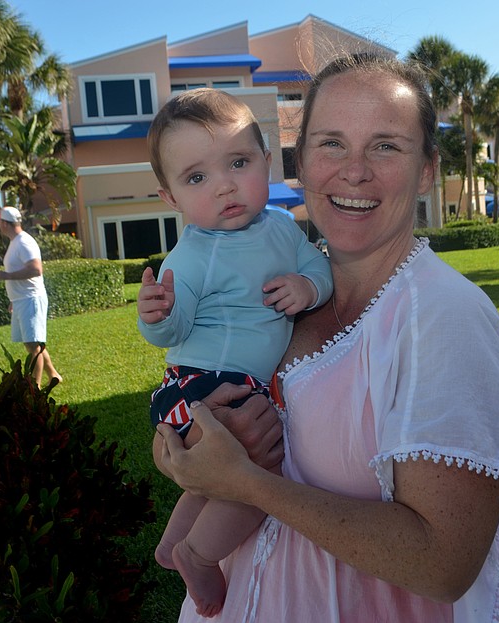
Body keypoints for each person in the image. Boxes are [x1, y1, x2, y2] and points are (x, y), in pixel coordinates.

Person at [154, 53, 499, 623]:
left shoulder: (444, 318)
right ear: (301, 163)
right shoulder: (284, 288)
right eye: (331, 144)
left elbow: (443, 565)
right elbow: (197, 411)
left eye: (385, 146)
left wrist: (248, 484)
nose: (354, 171)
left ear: (427, 170)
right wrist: (184, 450)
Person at [138, 88, 333, 617]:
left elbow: (318, 267)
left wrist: (307, 287)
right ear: (171, 198)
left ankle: (174, 542)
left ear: (268, 162)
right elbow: (175, 328)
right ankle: (199, 556)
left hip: (221, 388)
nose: (224, 185)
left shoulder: (281, 229)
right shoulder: (192, 255)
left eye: (239, 163)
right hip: (204, 384)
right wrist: (158, 315)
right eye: (197, 178)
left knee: (216, 475)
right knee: (259, 473)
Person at [0, 206, 61, 387]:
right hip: (21, 300)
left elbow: (36, 269)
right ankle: (53, 375)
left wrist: (6, 276)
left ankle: (34, 387)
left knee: (33, 345)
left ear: (5, 224)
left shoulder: (24, 242)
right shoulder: (15, 242)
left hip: (30, 299)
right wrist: (13, 300)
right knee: (31, 343)